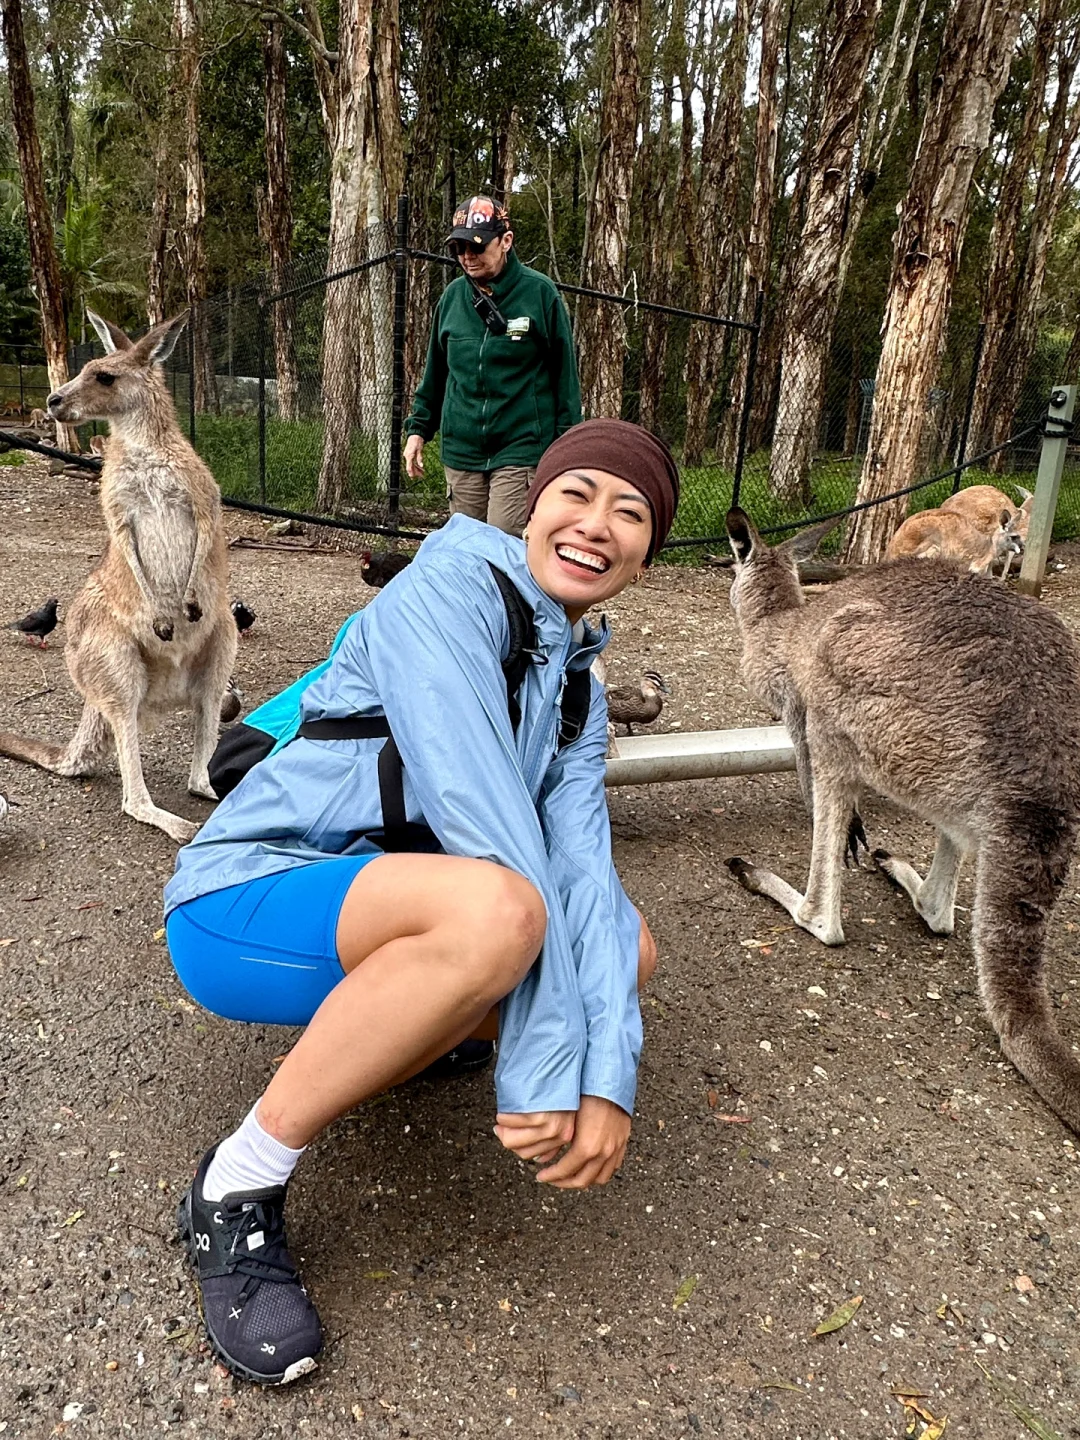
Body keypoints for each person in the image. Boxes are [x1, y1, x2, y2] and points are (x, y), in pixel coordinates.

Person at [164, 417, 679, 1387]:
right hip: (242, 903)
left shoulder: (575, 685)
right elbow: (484, 820)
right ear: (532, 510)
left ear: (647, 557)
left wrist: (608, 1077)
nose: (598, 523)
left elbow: (583, 874)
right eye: (577, 494)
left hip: (376, 908)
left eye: (631, 511)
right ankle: (235, 1185)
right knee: (500, 915)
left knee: (627, 943)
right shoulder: (452, 588)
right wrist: (540, 1064)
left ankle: (409, 1033)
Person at [403, 195, 582, 537]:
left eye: (477, 247)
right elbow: (436, 374)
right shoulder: (453, 299)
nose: (468, 257)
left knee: (504, 542)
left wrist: (567, 450)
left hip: (521, 445)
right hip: (463, 449)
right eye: (459, 249)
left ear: (506, 242)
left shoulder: (540, 294)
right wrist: (418, 430)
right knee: (467, 546)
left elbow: (566, 381)